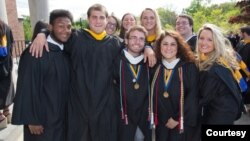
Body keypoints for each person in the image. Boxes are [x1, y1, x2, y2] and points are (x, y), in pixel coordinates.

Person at [29, 4, 156, 141]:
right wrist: (42, 33)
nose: (98, 21)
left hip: (105, 106)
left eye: (102, 17)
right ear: (88, 19)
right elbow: (59, 33)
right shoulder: (76, 37)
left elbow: (135, 45)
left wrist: (148, 48)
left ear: (107, 20)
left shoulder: (114, 43)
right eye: (94, 17)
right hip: (79, 105)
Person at [11, 9, 72, 141]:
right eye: (60, 26)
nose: (65, 30)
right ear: (50, 27)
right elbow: (27, 86)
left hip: (61, 117)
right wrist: (31, 119)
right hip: (42, 119)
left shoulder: (66, 51)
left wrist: (42, 33)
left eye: (68, 27)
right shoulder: (36, 50)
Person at [150, 29, 199, 141]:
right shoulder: (155, 67)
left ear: (179, 47)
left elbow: (193, 96)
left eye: (173, 44)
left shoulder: (188, 67)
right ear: (159, 46)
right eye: (165, 44)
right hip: (162, 123)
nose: (168, 48)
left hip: (181, 122)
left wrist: (177, 118)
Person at [196, 23, 243, 124]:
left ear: (216, 42)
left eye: (210, 39)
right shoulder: (221, 59)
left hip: (218, 117)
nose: (204, 42)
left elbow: (202, 98)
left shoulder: (213, 68)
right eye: (201, 38)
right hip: (226, 112)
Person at [113, 25, 151, 141]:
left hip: (144, 117)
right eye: (133, 37)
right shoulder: (116, 61)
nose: (137, 41)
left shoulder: (150, 62)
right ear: (126, 40)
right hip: (122, 117)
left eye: (141, 39)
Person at [0, 19, 15, 129]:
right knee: (6, 87)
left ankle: (0, 118)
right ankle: (7, 113)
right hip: (6, 63)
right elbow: (12, 45)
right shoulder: (7, 28)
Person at [235, 26, 250, 112]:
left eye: (241, 33)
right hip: (239, 71)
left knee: (247, 90)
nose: (240, 34)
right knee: (242, 89)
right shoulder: (241, 43)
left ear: (244, 33)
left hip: (247, 72)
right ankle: (244, 106)